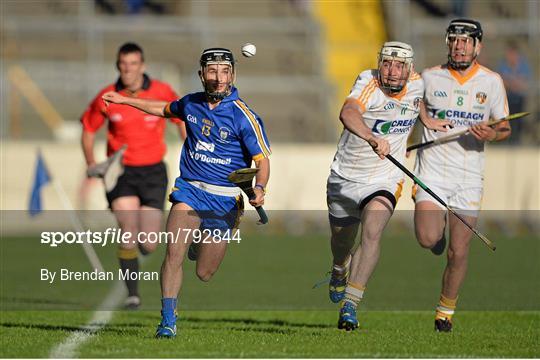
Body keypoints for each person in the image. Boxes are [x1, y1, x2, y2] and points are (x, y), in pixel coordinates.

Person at [101, 47, 271, 338]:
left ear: (232, 75)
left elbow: (262, 161)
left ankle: (203, 242)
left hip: (224, 199)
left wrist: (259, 188)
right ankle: (168, 320)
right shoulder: (191, 103)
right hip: (189, 191)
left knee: (204, 273)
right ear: (201, 74)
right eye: (213, 71)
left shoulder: (244, 116)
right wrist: (126, 101)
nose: (219, 78)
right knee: (173, 254)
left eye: (225, 71)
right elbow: (162, 108)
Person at [326, 42, 450, 330]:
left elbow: (415, 101)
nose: (392, 72)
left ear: (409, 68)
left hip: (385, 176)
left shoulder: (418, 83)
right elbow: (348, 113)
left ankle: (350, 305)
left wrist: (427, 119)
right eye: (386, 64)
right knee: (341, 242)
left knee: (372, 233)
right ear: (379, 64)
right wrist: (371, 138)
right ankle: (338, 266)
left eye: (399, 66)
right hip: (345, 177)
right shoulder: (367, 82)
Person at [413, 19, 511, 332]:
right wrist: (424, 116)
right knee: (428, 237)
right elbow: (408, 105)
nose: (459, 46)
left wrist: (491, 134)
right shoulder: (428, 76)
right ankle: (435, 236)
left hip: (469, 176)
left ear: (477, 46)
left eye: (466, 41)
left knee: (459, 251)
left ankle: (445, 312)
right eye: (454, 40)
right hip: (432, 171)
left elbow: (504, 127)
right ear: (447, 43)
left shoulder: (491, 81)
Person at [81, 42, 185, 309]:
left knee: (149, 244)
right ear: (118, 65)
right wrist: (92, 163)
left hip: (153, 172)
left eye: (133, 64)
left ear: (143, 66)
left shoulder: (162, 91)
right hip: (121, 172)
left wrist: (191, 146)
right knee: (127, 230)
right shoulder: (107, 95)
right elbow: (89, 128)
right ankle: (132, 294)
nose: (127, 69)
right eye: (123, 64)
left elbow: (181, 118)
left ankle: (138, 253)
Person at [497, 41, 531, 145]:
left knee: (518, 122)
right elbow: (501, 82)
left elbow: (524, 85)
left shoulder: (524, 66)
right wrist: (514, 83)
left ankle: (516, 140)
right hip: (507, 99)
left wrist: (511, 83)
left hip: (519, 99)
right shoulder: (502, 65)